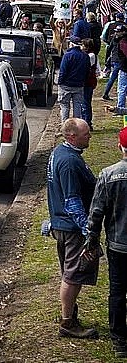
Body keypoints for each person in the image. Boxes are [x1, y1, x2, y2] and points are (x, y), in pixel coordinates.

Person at [46, 118, 99, 339]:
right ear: (71, 136)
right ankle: (67, 321)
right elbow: (72, 200)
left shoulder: (61, 153)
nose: (90, 137)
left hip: (61, 224)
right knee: (73, 275)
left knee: (70, 272)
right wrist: (88, 231)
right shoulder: (69, 162)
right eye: (86, 134)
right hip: (71, 227)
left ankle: (69, 313)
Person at [84, 126, 127, 357]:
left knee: (118, 290)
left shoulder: (109, 174)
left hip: (118, 245)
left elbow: (97, 212)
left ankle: (120, 340)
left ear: (120, 147)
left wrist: (91, 240)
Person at [58, 38, 89, 121]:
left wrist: (60, 82)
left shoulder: (67, 55)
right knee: (77, 106)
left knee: (64, 106)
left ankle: (65, 126)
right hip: (79, 85)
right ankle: (76, 127)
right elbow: (87, 71)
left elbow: (63, 71)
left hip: (66, 85)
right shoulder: (85, 56)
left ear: (71, 44)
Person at [103, 25, 126, 101]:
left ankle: (106, 93)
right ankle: (106, 93)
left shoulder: (122, 39)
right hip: (117, 60)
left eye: (118, 31)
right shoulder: (116, 39)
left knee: (115, 78)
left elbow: (109, 48)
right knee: (114, 78)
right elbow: (109, 48)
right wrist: (107, 60)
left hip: (118, 60)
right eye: (116, 31)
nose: (116, 33)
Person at [82, 38, 98, 129]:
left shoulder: (91, 56)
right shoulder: (88, 55)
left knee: (86, 102)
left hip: (88, 82)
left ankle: (87, 122)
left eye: (83, 45)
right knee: (84, 102)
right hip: (87, 82)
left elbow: (88, 68)